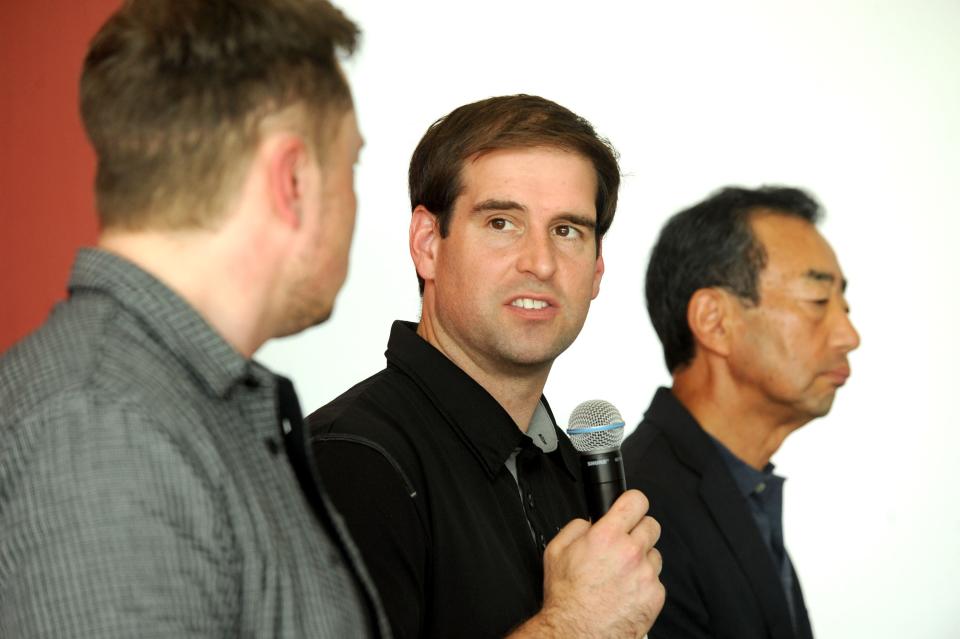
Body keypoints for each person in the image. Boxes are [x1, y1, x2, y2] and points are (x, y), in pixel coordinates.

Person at [0, 1, 390, 636]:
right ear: (291, 180)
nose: (353, 199)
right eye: (351, 165)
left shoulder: (179, 405)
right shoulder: (105, 433)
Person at [306, 94, 665, 638]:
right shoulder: (352, 461)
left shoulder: (572, 469)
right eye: (501, 222)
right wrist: (573, 627)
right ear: (427, 244)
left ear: (596, 272)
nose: (540, 263)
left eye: (567, 230)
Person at [622, 186, 861, 639]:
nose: (849, 336)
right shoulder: (642, 516)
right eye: (817, 302)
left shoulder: (737, 487)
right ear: (715, 321)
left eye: (844, 307)